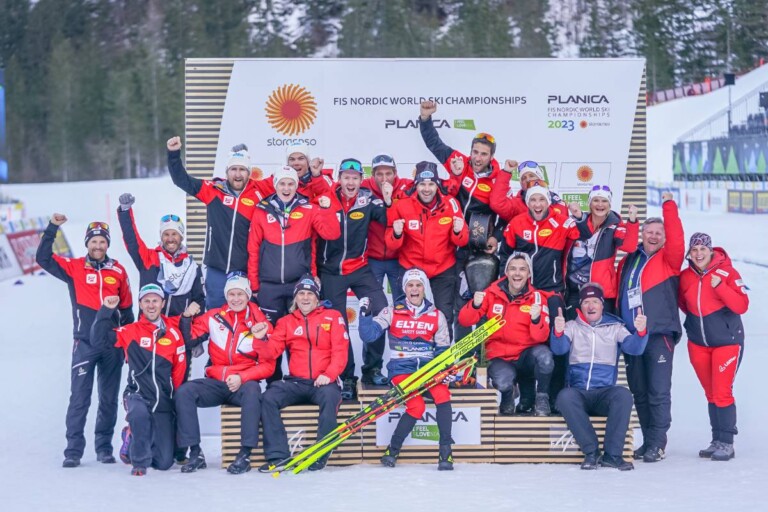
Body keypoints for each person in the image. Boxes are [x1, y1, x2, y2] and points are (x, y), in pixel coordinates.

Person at [36, 214, 134, 468]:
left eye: (102, 242)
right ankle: (73, 450)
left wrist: (126, 344)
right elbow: (43, 259)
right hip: (85, 344)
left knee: (109, 398)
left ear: (107, 244)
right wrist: (52, 228)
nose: (98, 246)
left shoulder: (118, 271)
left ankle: (103, 448)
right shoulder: (75, 267)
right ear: (87, 243)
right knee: (80, 398)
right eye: (94, 242)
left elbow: (127, 312)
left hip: (112, 345)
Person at [418, 100, 503, 340]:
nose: (477, 158)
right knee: (454, 305)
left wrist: (496, 238)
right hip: (449, 246)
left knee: (478, 305)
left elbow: (508, 217)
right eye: (475, 152)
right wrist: (425, 118)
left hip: (478, 250)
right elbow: (434, 143)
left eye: (483, 154)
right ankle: (454, 360)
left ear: (491, 156)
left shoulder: (499, 181)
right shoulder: (458, 163)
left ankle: (478, 359)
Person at [175, 273, 274, 475]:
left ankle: (245, 454)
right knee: (184, 392)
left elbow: (269, 365)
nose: (235, 299)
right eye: (231, 294)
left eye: (240, 294)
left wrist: (242, 377)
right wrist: (186, 318)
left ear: (248, 296)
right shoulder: (213, 317)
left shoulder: (261, 322)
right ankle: (195, 453)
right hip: (217, 381)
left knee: (253, 390)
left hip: (243, 383)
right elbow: (189, 340)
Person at [358, 268, 455, 470]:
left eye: (418, 285)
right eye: (410, 285)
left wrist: (445, 371)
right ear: (404, 288)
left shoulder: (436, 316)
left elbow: (443, 350)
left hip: (428, 371)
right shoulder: (391, 311)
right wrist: (365, 316)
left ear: (424, 288)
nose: (414, 289)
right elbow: (368, 336)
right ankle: (392, 451)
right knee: (416, 406)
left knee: (443, 395)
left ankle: (446, 453)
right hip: (402, 371)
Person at [90, 285, 189, 476]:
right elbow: (98, 340)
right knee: (139, 414)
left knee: (164, 462)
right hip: (137, 394)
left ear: (163, 303)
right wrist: (106, 311)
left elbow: (179, 371)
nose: (151, 305)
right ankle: (139, 462)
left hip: (161, 400)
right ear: (140, 305)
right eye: (146, 301)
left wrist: (175, 399)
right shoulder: (130, 331)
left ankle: (132, 435)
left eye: (155, 301)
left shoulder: (174, 334)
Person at [551, 282, 648, 471]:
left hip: (604, 393)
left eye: (595, 301)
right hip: (579, 393)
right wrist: (558, 331)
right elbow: (559, 348)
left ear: (602, 305)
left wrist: (642, 331)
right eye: (586, 302)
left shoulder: (615, 326)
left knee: (623, 395)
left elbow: (634, 349)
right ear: (580, 306)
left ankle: (612, 456)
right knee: (564, 396)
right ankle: (591, 453)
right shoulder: (572, 326)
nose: (591, 306)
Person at [617, 192, 684, 463]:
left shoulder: (669, 260)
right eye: (649, 231)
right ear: (642, 233)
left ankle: (658, 442)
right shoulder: (629, 259)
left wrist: (668, 206)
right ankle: (648, 441)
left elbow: (678, 239)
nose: (654, 236)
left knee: (658, 391)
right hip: (633, 337)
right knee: (640, 392)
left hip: (658, 334)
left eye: (659, 232)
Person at [260, 275, 349, 472]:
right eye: (301, 293)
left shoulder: (332, 316)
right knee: (268, 398)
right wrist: (259, 339)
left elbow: (340, 351)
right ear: (295, 298)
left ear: (317, 298)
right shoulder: (285, 322)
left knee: (330, 397)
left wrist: (329, 374)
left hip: (324, 381)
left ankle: (320, 452)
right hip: (296, 382)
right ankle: (278, 456)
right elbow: (271, 352)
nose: (305, 298)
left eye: (310, 294)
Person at [318, 158, 391, 397]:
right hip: (331, 272)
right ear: (339, 179)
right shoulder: (327, 196)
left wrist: (389, 201)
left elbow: (387, 219)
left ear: (362, 180)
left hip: (360, 269)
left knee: (381, 311)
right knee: (338, 326)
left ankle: (372, 369)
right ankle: (346, 377)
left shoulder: (368, 198)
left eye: (355, 178)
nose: (351, 182)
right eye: (346, 177)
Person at [166, 136, 263, 309]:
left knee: (244, 318)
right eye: (233, 169)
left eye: (242, 169)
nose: (238, 174)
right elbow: (181, 180)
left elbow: (288, 184)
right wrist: (173, 154)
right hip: (216, 269)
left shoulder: (258, 193)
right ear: (227, 171)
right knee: (215, 316)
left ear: (249, 172)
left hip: (244, 270)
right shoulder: (213, 190)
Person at [678, 233, 749, 461]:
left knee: (722, 392)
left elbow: (741, 305)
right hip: (698, 343)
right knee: (710, 394)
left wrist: (720, 287)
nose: (698, 254)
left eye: (703, 249)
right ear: (690, 253)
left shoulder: (727, 272)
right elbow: (683, 303)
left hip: (727, 342)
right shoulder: (685, 277)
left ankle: (727, 442)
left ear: (711, 251)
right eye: (694, 250)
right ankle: (716, 439)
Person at [458, 253, 553, 416]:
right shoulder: (491, 292)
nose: (517, 273)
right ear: (506, 272)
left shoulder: (537, 297)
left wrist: (536, 320)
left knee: (545, 358)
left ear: (529, 274)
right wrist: (474, 304)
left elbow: (541, 337)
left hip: (525, 355)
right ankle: (507, 396)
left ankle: (542, 397)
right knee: (503, 381)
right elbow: (464, 320)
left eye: (522, 269)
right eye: (513, 269)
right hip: (498, 355)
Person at [247, 165, 340, 326]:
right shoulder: (261, 210)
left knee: (299, 338)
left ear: (296, 186)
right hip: (269, 286)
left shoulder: (309, 208)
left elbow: (331, 234)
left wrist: (327, 210)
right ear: (275, 185)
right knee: (269, 334)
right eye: (282, 184)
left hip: (299, 284)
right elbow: (253, 249)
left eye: (291, 184)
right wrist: (254, 285)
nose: (286, 188)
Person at [386, 162, 469, 335]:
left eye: (431, 184)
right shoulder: (402, 205)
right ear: (416, 185)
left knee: (444, 316)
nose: (426, 189)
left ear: (437, 185)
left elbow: (462, 241)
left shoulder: (451, 204)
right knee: (407, 316)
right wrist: (397, 233)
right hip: (411, 267)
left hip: (442, 268)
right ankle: (409, 356)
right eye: (422, 184)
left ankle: (442, 359)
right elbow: (391, 244)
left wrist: (457, 231)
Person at [116, 193, 204, 317]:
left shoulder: (191, 266)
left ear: (181, 236)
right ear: (161, 237)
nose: (170, 239)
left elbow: (199, 300)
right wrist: (125, 211)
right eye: (166, 234)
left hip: (178, 329)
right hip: (149, 328)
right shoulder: (149, 258)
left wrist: (196, 332)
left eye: (174, 234)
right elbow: (132, 240)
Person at [566, 186, 639, 319]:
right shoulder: (576, 221)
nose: (600, 204)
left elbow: (629, 247)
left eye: (604, 201)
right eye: (596, 200)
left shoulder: (615, 226)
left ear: (610, 204)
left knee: (603, 337)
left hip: (601, 293)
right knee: (573, 333)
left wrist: (632, 221)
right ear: (589, 203)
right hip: (574, 291)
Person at [361, 153, 413, 294]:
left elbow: (433, 189)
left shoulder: (406, 186)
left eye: (388, 173)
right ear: (372, 174)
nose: (384, 179)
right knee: (372, 303)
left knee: (401, 303)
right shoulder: (363, 188)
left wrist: (388, 200)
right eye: (379, 174)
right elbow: (336, 189)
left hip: (399, 258)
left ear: (395, 173)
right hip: (373, 258)